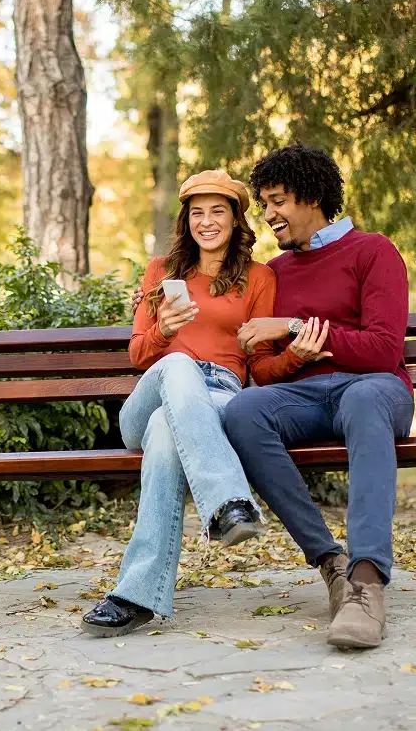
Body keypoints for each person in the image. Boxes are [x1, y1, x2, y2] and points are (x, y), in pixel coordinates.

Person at [130, 143, 413, 649]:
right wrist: (295, 356)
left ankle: (367, 581)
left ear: (311, 197)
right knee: (242, 410)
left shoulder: (373, 251)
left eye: (277, 201)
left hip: (372, 387)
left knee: (366, 400)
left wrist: (300, 327)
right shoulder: (275, 272)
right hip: (305, 393)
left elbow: (382, 349)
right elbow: (266, 369)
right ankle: (331, 564)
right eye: (263, 204)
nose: (270, 215)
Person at [81, 169, 330, 638]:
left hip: (217, 397)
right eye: (197, 213)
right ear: (186, 221)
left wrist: (294, 354)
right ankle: (229, 502)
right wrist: (166, 332)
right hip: (157, 386)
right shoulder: (161, 272)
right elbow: (139, 354)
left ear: (236, 220)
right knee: (178, 368)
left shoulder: (258, 278)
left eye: (218, 211)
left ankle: (134, 595)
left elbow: (260, 368)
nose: (207, 221)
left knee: (164, 435)